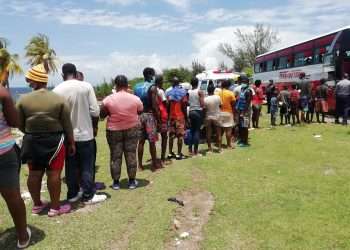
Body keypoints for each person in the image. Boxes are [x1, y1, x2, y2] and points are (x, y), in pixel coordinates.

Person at [17, 64, 75, 217]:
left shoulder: (22, 99)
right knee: (54, 174)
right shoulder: (58, 99)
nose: (29, 83)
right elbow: (67, 124)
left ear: (35, 81)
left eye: (30, 81)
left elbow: (19, 123)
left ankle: (37, 205)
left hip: (31, 140)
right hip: (55, 140)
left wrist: (30, 133)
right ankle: (55, 208)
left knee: (34, 174)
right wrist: (72, 142)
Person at [53, 63, 107, 205]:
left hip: (66, 136)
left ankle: (72, 194)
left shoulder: (56, 90)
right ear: (76, 73)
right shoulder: (86, 86)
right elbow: (95, 111)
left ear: (62, 75)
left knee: (70, 166)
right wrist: (95, 127)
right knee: (87, 165)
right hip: (85, 134)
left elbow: (55, 115)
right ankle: (88, 195)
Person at [0, 85, 30, 248]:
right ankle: (23, 236)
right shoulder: (2, 92)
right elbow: (15, 122)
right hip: (3, 152)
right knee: (12, 196)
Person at [100, 75, 143, 190]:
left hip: (113, 130)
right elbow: (139, 111)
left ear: (116, 85)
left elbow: (102, 114)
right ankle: (132, 182)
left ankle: (116, 183)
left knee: (115, 156)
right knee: (131, 154)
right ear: (127, 84)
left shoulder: (108, 99)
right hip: (132, 129)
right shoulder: (135, 98)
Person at [134, 67, 161, 171]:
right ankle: (154, 164)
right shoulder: (153, 87)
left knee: (141, 141)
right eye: (153, 75)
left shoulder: (136, 87)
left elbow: (135, 103)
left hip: (139, 116)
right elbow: (154, 106)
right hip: (149, 115)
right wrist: (158, 120)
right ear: (150, 75)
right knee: (152, 141)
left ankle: (140, 165)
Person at [166, 77, 188, 160]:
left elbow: (167, 106)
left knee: (171, 135)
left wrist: (168, 117)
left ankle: (170, 153)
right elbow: (184, 106)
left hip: (171, 116)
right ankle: (179, 154)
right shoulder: (183, 92)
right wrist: (186, 117)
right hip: (180, 116)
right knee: (180, 136)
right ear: (179, 83)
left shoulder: (168, 93)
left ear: (172, 83)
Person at [216, 79, 235, 150]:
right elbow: (233, 104)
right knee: (228, 130)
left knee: (220, 131)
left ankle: (219, 144)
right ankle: (228, 145)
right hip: (228, 112)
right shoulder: (231, 93)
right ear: (228, 85)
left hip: (219, 113)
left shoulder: (218, 94)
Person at [187, 77, 205, 156]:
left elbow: (187, 102)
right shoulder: (199, 92)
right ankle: (196, 151)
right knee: (197, 131)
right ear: (198, 83)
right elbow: (202, 104)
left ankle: (190, 150)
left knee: (191, 130)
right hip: (198, 111)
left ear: (191, 83)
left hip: (190, 111)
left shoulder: (188, 92)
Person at [155, 75, 169, 164]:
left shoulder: (151, 90)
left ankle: (155, 158)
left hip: (154, 115)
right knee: (164, 137)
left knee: (153, 139)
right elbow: (165, 103)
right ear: (160, 82)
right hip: (162, 115)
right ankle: (163, 157)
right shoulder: (160, 91)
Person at [204, 83, 221, 152]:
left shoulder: (205, 99)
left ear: (207, 91)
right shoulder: (218, 97)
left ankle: (209, 148)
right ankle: (219, 148)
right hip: (217, 116)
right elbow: (220, 106)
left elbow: (204, 109)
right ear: (214, 90)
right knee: (218, 132)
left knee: (208, 133)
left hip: (208, 116)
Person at [236, 76, 252, 146]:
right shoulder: (242, 89)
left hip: (245, 112)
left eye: (244, 82)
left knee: (245, 126)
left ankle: (245, 142)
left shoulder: (248, 91)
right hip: (240, 111)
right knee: (241, 126)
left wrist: (243, 112)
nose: (243, 83)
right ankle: (241, 139)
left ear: (248, 83)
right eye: (242, 82)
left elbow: (247, 103)